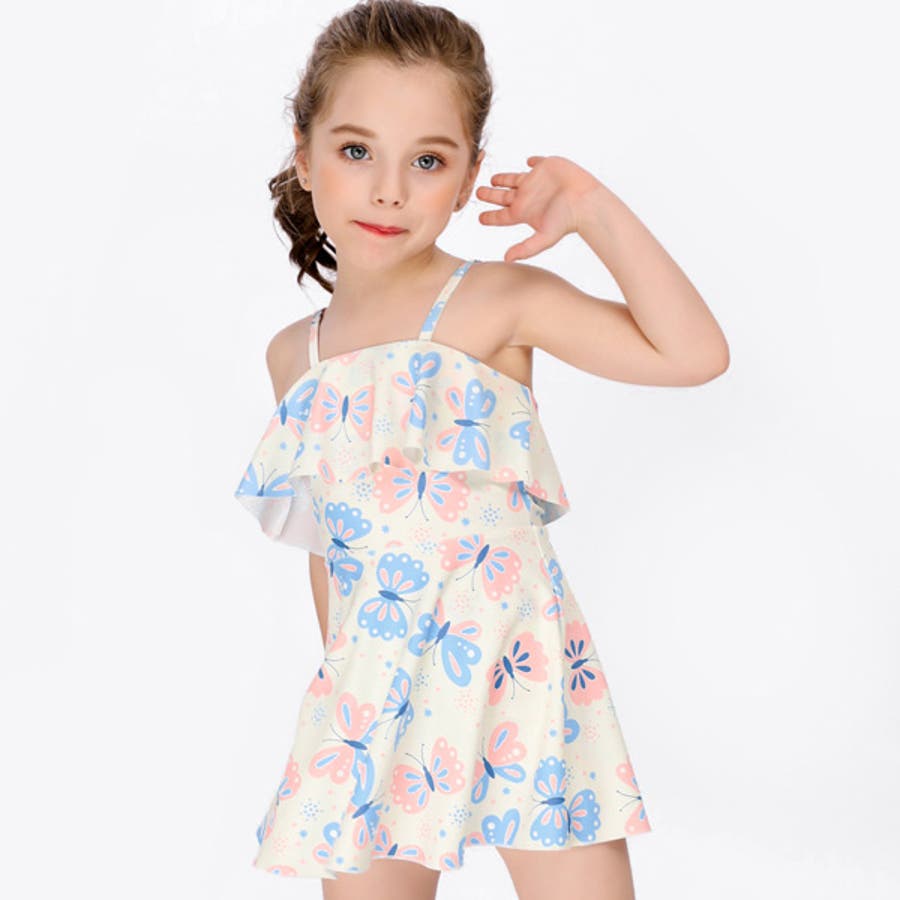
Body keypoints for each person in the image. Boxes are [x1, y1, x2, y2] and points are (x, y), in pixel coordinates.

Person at [234, 2, 729, 898]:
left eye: (427, 161)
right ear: (303, 155)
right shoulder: (293, 356)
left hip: (516, 672)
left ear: (468, 178)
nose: (390, 190)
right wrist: (347, 691)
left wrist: (594, 211)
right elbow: (328, 546)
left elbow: (694, 355)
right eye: (357, 151)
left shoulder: (498, 300)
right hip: (372, 692)